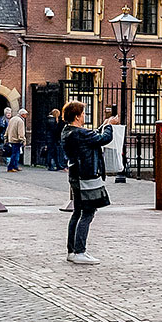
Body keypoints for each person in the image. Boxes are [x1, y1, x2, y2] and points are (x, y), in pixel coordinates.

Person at [61, 101, 114, 264]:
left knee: (77, 212)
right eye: (83, 114)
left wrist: (103, 125)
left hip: (76, 175)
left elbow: (93, 138)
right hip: (86, 176)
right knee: (88, 212)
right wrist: (110, 126)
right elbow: (104, 138)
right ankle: (79, 251)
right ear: (77, 116)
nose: (85, 116)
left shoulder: (68, 131)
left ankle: (72, 250)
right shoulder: (79, 134)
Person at [3, 106, 26, 171]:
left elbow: (8, 129)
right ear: (22, 114)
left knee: (15, 153)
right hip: (16, 140)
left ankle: (15, 166)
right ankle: (11, 167)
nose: (26, 115)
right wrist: (23, 139)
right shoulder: (20, 121)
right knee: (15, 154)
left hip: (11, 138)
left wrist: (6, 137)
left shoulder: (12, 119)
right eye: (25, 114)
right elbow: (21, 132)